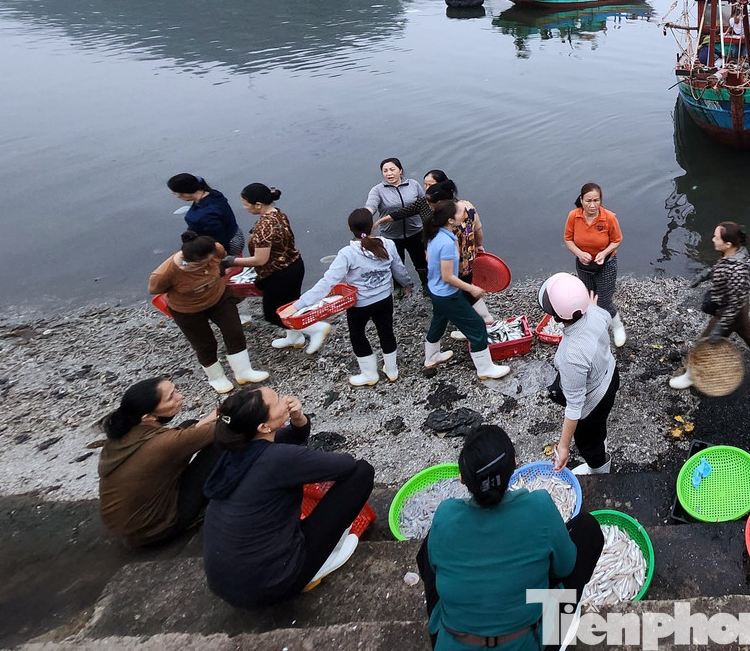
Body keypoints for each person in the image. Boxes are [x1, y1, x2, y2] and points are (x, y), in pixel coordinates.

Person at [418, 425, 603, 651]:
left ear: (463, 479)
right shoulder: (539, 507)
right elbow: (564, 569)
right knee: (587, 530)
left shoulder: (445, 515)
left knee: (429, 546)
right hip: (528, 643)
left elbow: (435, 566)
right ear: (515, 466)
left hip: (451, 642)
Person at [202, 387, 375, 608]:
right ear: (263, 427)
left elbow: (293, 437)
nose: (285, 401)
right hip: (272, 584)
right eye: (277, 402)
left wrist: (298, 418)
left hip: (226, 583)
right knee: (361, 472)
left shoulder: (236, 448)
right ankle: (310, 570)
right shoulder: (277, 460)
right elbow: (346, 464)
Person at [282, 209, 412, 386]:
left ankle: (369, 374)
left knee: (358, 335)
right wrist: (407, 284)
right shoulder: (387, 244)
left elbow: (328, 283)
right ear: (371, 224)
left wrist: (299, 305)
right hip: (384, 300)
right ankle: (392, 370)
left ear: (351, 229)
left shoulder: (347, 253)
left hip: (360, 305)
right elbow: (399, 269)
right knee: (386, 332)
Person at [98, 377, 219, 548]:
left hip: (128, 528)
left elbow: (187, 435)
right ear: (148, 417)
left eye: (175, 390)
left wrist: (212, 417)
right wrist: (230, 412)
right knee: (220, 444)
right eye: (171, 397)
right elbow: (227, 427)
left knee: (190, 425)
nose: (180, 396)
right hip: (157, 528)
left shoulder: (122, 434)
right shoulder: (165, 443)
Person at [148, 232, 269, 394]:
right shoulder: (165, 273)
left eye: (209, 261)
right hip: (187, 310)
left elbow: (222, 257)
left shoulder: (215, 249)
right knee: (204, 343)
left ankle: (243, 371)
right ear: (190, 260)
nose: (206, 265)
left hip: (219, 297)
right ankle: (216, 377)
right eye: (201, 264)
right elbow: (154, 289)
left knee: (234, 330)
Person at [669, 222, 750, 389]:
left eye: (716, 237)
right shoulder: (736, 252)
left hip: (729, 311)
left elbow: (734, 304)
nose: (712, 239)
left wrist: (720, 327)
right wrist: (706, 274)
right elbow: (723, 267)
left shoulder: (737, 271)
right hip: (739, 308)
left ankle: (691, 376)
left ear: (728, 244)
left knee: (705, 342)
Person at [541, 273, 620, 475]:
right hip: (610, 375)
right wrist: (591, 307)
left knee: (588, 442)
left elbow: (575, 406)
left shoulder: (570, 355)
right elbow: (602, 318)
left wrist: (563, 446)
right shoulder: (596, 312)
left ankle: (599, 469)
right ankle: (600, 438)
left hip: (593, 400)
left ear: (557, 316)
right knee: (598, 426)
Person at [426, 199, 509, 379]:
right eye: (458, 212)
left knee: (438, 322)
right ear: (450, 220)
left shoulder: (436, 235)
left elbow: (430, 262)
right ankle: (485, 369)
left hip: (435, 290)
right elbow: (448, 277)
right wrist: (471, 288)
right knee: (477, 325)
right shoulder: (447, 243)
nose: (462, 214)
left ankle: (431, 358)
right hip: (447, 294)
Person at [230, 183, 306, 349]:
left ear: (258, 204)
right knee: (290, 306)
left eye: (245, 204)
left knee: (272, 313)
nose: (244, 208)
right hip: (295, 265)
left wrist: (231, 261)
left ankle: (314, 329)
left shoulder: (265, 227)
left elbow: (259, 260)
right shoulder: (279, 214)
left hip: (279, 274)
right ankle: (296, 338)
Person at [427, 176, 499, 337]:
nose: (430, 207)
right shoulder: (468, 206)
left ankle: (479, 320)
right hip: (470, 257)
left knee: (462, 292)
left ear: (441, 203)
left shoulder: (444, 220)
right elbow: (478, 229)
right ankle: (483, 318)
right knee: (466, 288)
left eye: (431, 204)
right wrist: (479, 245)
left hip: (453, 263)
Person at [563, 182, 626, 347]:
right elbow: (568, 239)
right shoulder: (573, 216)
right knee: (588, 298)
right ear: (582, 200)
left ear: (600, 201)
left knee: (603, 300)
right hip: (584, 265)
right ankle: (594, 327)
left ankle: (617, 326)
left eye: (596, 200)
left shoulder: (609, 218)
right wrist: (579, 253)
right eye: (588, 200)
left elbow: (617, 240)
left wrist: (604, 253)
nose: (592, 205)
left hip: (606, 264)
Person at [364, 158, 429, 292]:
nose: (389, 174)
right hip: (390, 236)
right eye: (385, 171)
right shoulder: (378, 190)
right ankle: (399, 288)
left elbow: (424, 205)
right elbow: (371, 205)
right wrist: (366, 215)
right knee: (394, 264)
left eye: (392, 169)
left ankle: (426, 285)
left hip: (415, 232)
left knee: (421, 261)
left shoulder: (413, 185)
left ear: (400, 170)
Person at [168, 174, 244, 255]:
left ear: (184, 193)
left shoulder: (201, 216)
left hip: (227, 246)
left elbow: (217, 239)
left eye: (176, 194)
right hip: (236, 235)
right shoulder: (215, 195)